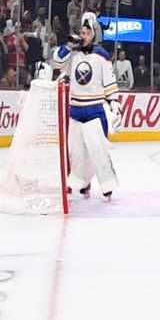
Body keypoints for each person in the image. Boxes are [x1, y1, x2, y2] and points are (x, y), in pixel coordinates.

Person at [57, 12, 119, 200]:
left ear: (94, 34)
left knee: (98, 150)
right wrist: (68, 46)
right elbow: (57, 62)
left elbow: (109, 82)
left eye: (87, 32)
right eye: (82, 32)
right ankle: (83, 182)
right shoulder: (73, 53)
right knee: (76, 151)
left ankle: (107, 185)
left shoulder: (102, 55)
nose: (83, 36)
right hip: (75, 110)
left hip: (94, 110)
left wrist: (114, 102)